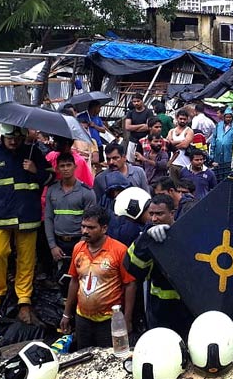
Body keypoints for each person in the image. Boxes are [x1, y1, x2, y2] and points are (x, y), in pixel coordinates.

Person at [0, 124, 53, 323]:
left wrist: (36, 170)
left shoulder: (33, 153)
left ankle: (24, 296)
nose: (13, 141)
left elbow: (51, 177)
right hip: (0, 215)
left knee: (27, 257)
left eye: (17, 138)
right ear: (2, 135)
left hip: (27, 215)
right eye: (9, 137)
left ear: (23, 136)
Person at [61, 206, 136, 349]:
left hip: (109, 319)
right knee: (84, 356)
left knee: (109, 359)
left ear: (104, 228)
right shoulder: (78, 248)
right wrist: (66, 314)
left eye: (90, 228)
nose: (84, 231)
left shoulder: (119, 250)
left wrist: (127, 319)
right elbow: (74, 281)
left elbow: (130, 285)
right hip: (82, 317)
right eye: (83, 226)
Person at [123, 193, 195, 337]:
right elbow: (133, 267)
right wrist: (146, 239)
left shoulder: (186, 235)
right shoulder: (147, 237)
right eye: (151, 214)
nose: (154, 219)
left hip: (187, 308)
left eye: (159, 214)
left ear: (172, 213)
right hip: (159, 310)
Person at [45, 153, 97, 263]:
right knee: (60, 277)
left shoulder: (86, 192)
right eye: (62, 166)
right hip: (58, 242)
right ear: (57, 169)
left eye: (69, 165)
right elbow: (48, 218)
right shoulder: (52, 190)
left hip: (79, 240)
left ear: (75, 167)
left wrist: (82, 245)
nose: (66, 169)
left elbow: (91, 221)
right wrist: (52, 246)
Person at [166, 109, 194, 185]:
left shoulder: (189, 131)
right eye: (180, 119)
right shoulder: (172, 131)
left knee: (185, 186)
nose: (182, 121)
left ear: (187, 119)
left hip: (185, 164)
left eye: (184, 119)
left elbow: (185, 145)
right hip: (173, 163)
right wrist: (181, 141)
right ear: (177, 118)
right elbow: (168, 144)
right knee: (173, 186)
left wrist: (173, 144)